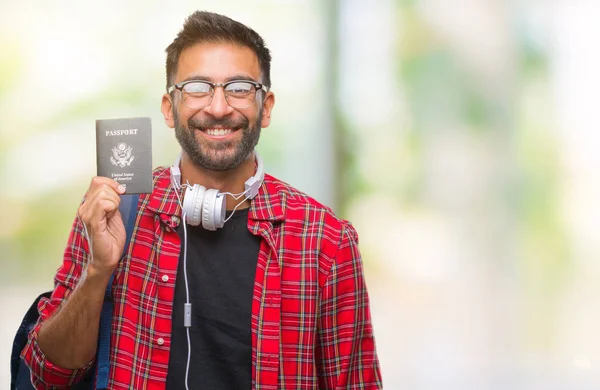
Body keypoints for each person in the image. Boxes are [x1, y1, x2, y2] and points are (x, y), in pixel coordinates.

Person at [21, 10, 382, 389]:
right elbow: (50, 375)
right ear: (169, 108)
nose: (218, 107)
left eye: (240, 87)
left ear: (267, 107)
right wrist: (98, 270)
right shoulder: (113, 210)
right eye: (197, 88)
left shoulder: (325, 240)